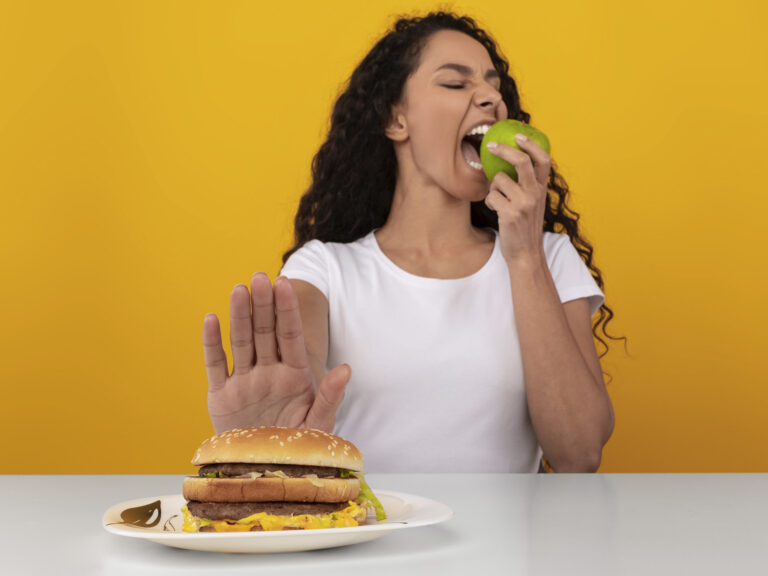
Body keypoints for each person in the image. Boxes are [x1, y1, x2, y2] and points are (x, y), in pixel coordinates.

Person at [201, 11, 624, 474]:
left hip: (508, 549)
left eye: (493, 86)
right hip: (364, 543)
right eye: (455, 84)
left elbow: (579, 453)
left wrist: (523, 256)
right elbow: (297, 376)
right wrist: (269, 435)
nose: (490, 98)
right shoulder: (324, 270)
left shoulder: (548, 260)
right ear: (395, 118)